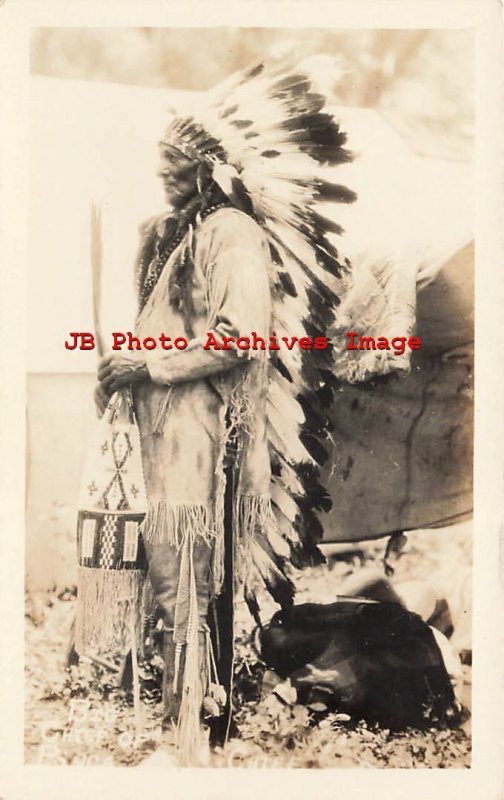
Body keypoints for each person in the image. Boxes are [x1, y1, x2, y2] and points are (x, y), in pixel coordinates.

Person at [92, 56, 360, 766]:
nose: (162, 178)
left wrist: (146, 363)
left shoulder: (230, 232)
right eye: (161, 166)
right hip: (163, 422)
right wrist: (125, 368)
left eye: (175, 167)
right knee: (165, 561)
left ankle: (198, 728)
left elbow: (239, 338)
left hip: (202, 430)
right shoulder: (177, 234)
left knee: (189, 565)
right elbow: (167, 327)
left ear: (210, 169)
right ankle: (180, 713)